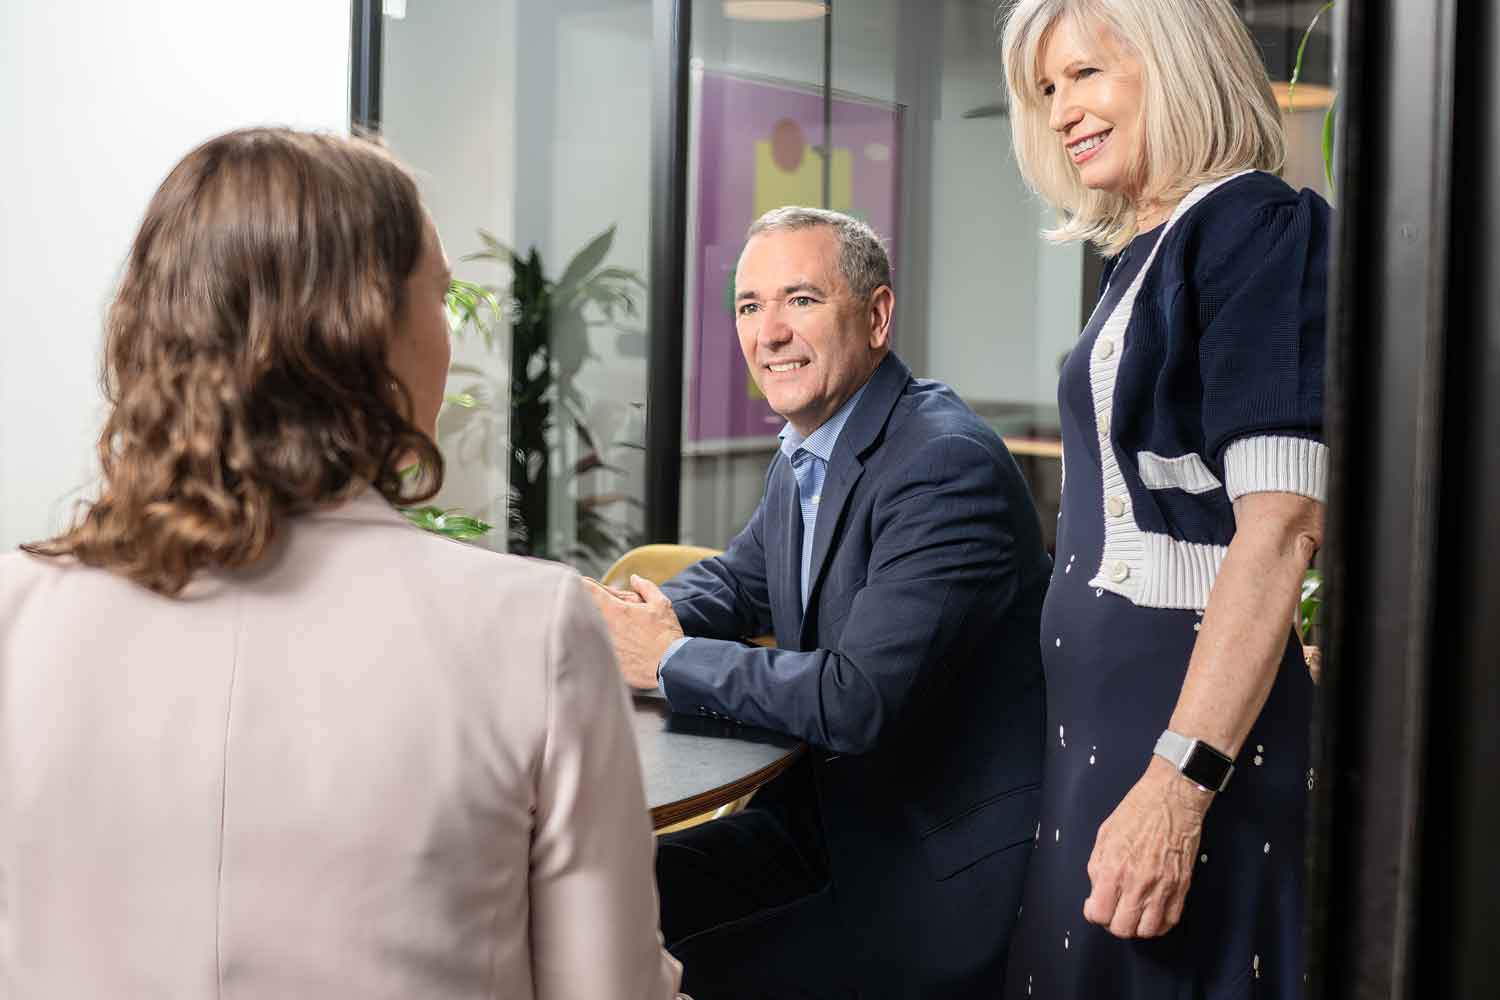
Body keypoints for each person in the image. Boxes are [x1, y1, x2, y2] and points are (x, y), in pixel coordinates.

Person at [0, 128, 682, 999]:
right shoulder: (530, 627)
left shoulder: (14, 613)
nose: (451, 339)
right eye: (436, 298)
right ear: (367, 329)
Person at [587, 206, 1050, 999]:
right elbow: (739, 582)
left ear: (876, 317)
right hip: (823, 828)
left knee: (633, 965)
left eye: (800, 300)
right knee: (592, 900)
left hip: (923, 880)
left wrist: (662, 659)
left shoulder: (942, 465)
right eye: (748, 305)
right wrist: (613, 620)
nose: (769, 332)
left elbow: (854, 698)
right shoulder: (815, 443)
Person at [996, 1, 1332, 997]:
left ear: (1178, 68)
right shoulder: (1150, 246)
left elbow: (1281, 529)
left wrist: (1180, 783)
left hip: (1181, 728)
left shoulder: (1259, 228)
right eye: (1049, 89)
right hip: (1105, 726)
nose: (1061, 110)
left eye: (1087, 74)